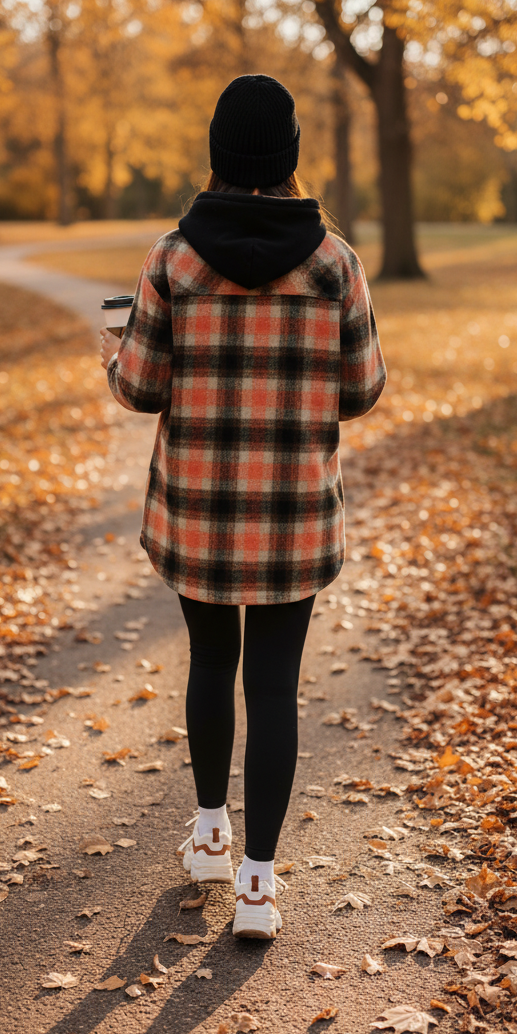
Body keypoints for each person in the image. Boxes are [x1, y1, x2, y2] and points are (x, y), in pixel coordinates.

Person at [100, 74, 385, 939]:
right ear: (290, 157)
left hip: (199, 517)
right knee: (275, 686)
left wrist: (112, 350)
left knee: (210, 665)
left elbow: (142, 389)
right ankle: (258, 887)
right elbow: (363, 389)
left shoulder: (171, 259)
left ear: (218, 154)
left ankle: (211, 834)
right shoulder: (335, 261)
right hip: (294, 515)